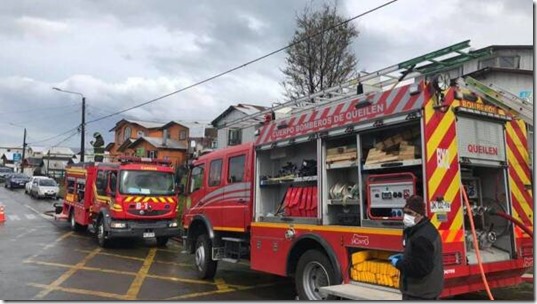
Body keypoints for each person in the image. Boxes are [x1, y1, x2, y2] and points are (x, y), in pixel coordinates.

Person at [388, 195, 444, 300]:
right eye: (404, 212)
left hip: (419, 293)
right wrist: (407, 256)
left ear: (420, 215)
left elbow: (419, 268)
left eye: (410, 213)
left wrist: (399, 263)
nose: (405, 216)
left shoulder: (421, 237)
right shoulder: (425, 229)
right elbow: (423, 257)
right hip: (426, 291)